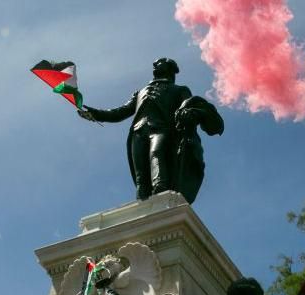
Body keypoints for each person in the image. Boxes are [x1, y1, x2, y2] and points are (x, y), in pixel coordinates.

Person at [79, 58, 222, 203]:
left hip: (161, 129)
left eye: (159, 62)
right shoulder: (141, 92)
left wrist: (191, 114)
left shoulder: (180, 90)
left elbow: (188, 108)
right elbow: (121, 112)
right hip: (138, 132)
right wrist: (96, 114)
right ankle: (142, 202)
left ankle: (161, 194)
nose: (155, 65)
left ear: (169, 68)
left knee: (156, 154)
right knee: (141, 173)